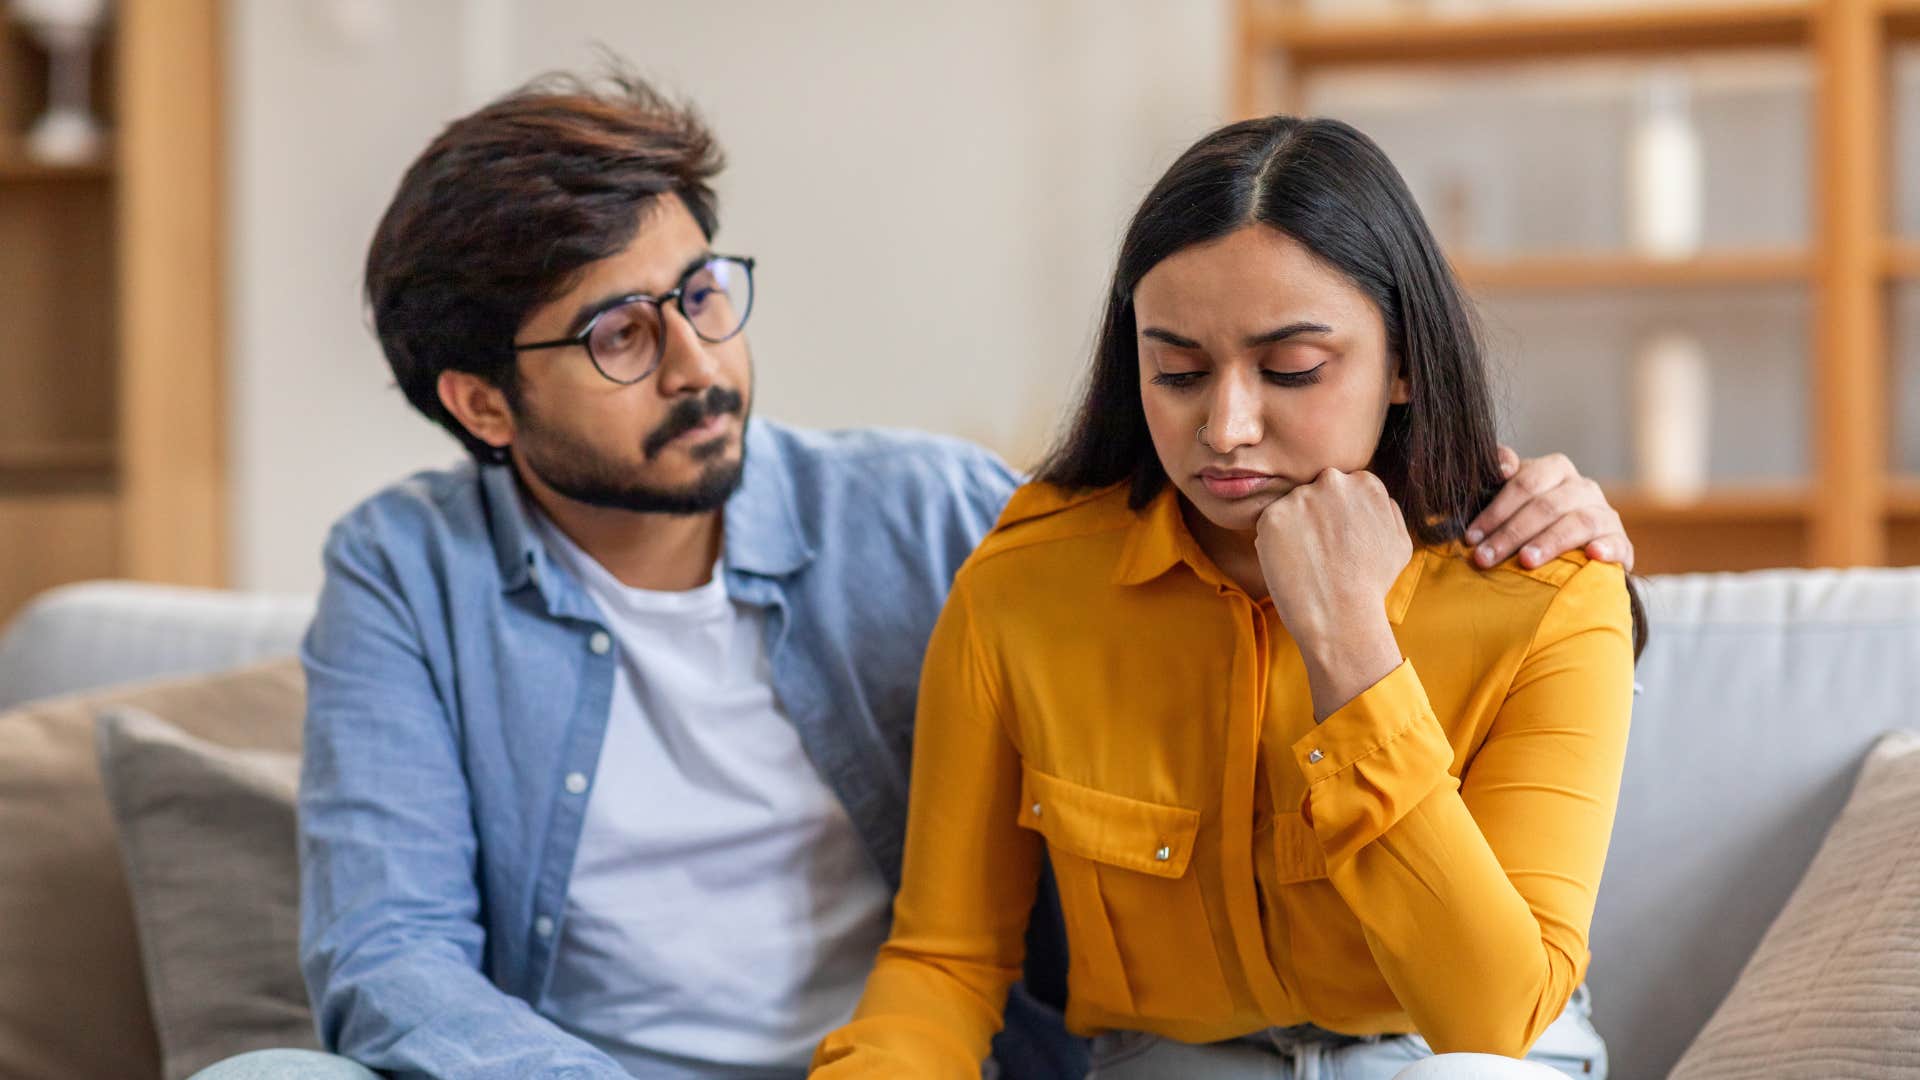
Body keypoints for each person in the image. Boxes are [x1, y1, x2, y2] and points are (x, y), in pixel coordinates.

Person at [190, 77, 1636, 1080]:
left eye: (702, 295)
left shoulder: (929, 512)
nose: (699, 363)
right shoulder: (408, 574)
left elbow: (1493, 1016)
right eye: (622, 336)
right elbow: (388, 953)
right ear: (482, 405)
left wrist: (1483, 586)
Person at [810, 116, 1641, 1080]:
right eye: (1178, 372)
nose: (1226, 427)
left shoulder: (1549, 591)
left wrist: (1351, 649)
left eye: (1291, 370)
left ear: (1405, 362)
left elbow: (1492, 1021)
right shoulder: (1026, 587)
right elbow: (946, 962)